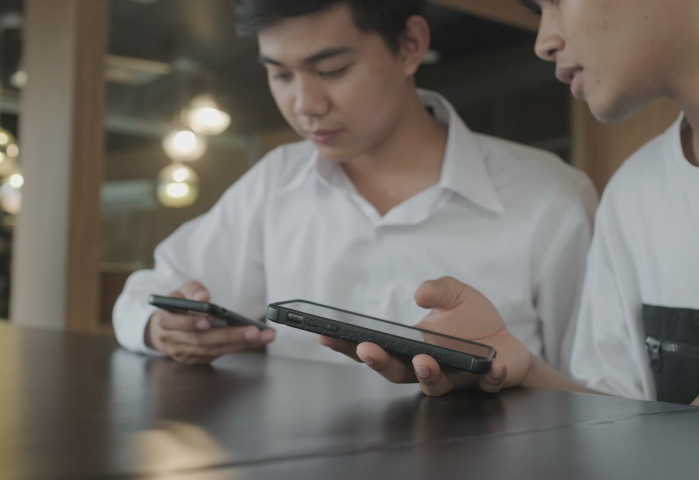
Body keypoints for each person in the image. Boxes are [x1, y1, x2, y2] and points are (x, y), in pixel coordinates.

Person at [326, 0, 699, 417]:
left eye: (554, 1)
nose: (543, 42)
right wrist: (523, 372)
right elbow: (623, 422)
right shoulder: (635, 194)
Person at [113, 0, 597, 368]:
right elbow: (145, 294)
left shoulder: (548, 198)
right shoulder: (277, 182)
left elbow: (594, 389)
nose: (305, 105)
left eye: (332, 71)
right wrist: (162, 329)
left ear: (410, 45)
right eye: (280, 75)